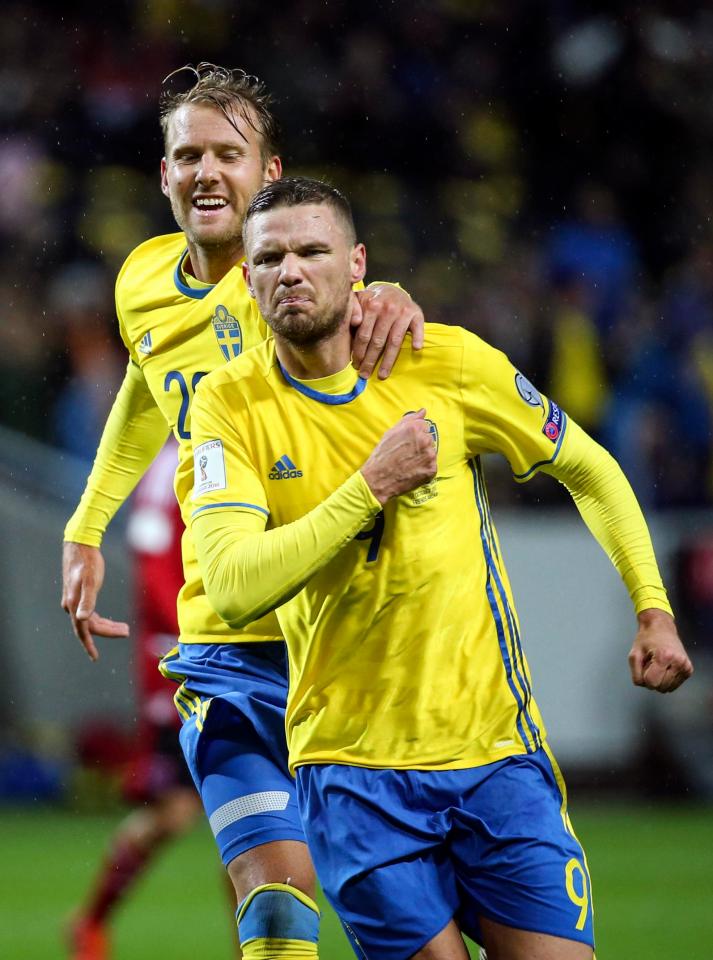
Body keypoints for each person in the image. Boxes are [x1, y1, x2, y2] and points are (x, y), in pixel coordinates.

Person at [188, 176, 694, 960]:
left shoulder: (445, 361)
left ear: (356, 263)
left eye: (312, 251)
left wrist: (651, 604)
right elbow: (233, 583)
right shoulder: (229, 407)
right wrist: (370, 487)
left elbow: (589, 469)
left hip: (497, 759)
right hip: (353, 773)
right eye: (269, 257)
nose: (290, 270)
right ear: (245, 278)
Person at [61, 64, 425, 960]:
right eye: (189, 154)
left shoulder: (291, 280)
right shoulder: (143, 279)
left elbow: (375, 323)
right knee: (272, 877)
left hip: (344, 622)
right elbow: (146, 395)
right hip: (228, 624)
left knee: (403, 888)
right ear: (162, 173)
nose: (206, 172)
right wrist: (86, 526)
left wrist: (393, 299)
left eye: (229, 153)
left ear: (269, 176)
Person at [67, 437, 216, 960]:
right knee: (176, 811)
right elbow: (151, 558)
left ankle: (261, 947)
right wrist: (194, 630)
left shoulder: (235, 435)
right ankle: (90, 919)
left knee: (254, 810)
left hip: (235, 652)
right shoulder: (170, 464)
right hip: (185, 658)